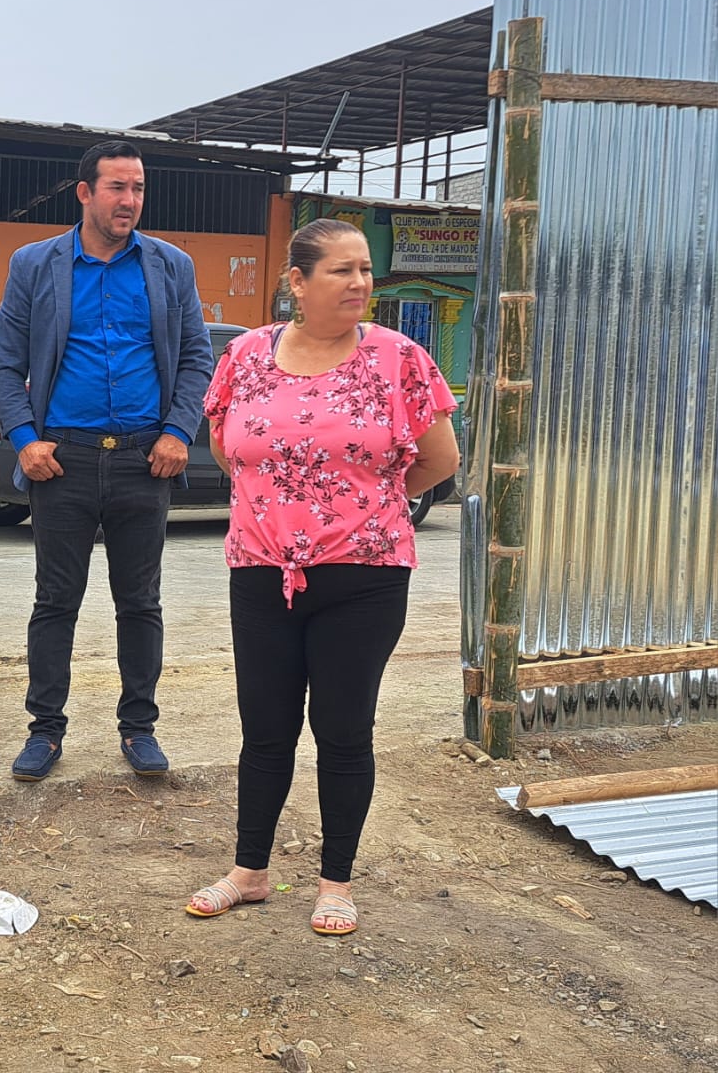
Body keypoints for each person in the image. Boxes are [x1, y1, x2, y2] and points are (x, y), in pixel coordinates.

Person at [187, 217, 460, 936]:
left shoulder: (398, 357)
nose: (359, 283)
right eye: (342, 270)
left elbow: (440, 461)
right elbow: (228, 448)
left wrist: (364, 509)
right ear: (298, 282)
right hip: (260, 571)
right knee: (264, 729)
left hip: (364, 577)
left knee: (342, 729)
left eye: (364, 269)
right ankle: (249, 871)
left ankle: (335, 881)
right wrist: (277, 506)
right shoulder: (245, 354)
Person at [0, 141, 215, 783]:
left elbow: (197, 357)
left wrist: (178, 431)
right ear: (84, 192)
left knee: (140, 602)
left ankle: (139, 728)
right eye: (117, 187)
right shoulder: (35, 264)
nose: (130, 200)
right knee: (55, 601)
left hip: (146, 460)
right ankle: (45, 731)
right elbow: (5, 364)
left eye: (138, 188)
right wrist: (24, 439)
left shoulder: (170, 266)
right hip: (63, 461)